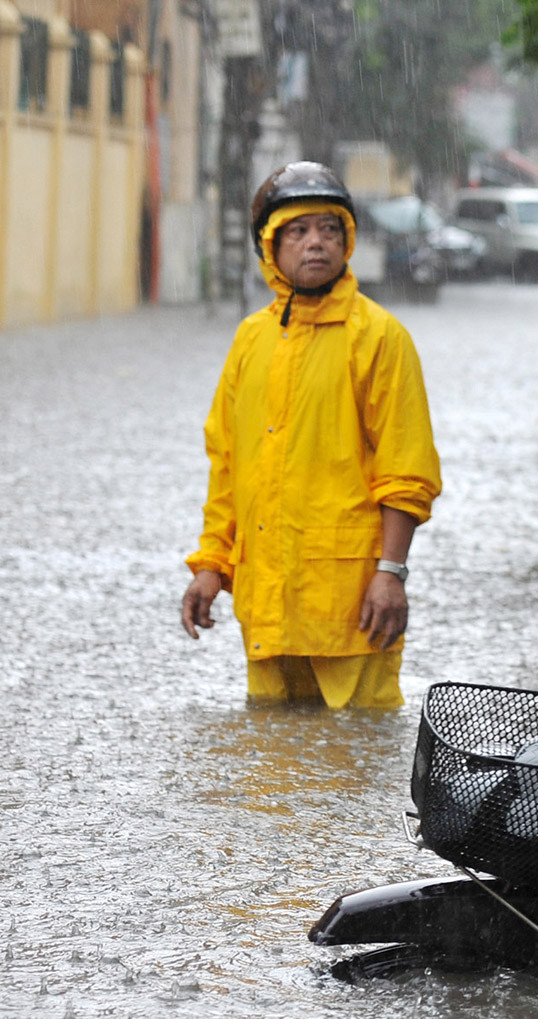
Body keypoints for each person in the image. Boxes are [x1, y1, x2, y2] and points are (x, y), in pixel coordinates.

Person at [180, 162, 442, 708]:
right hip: (265, 603)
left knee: (354, 761)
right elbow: (227, 465)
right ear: (270, 249)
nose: (315, 243)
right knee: (273, 770)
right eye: (297, 232)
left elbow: (407, 470)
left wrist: (390, 574)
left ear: (347, 241)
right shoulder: (251, 341)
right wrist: (211, 566)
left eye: (329, 229)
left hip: (351, 605)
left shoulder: (379, 338)